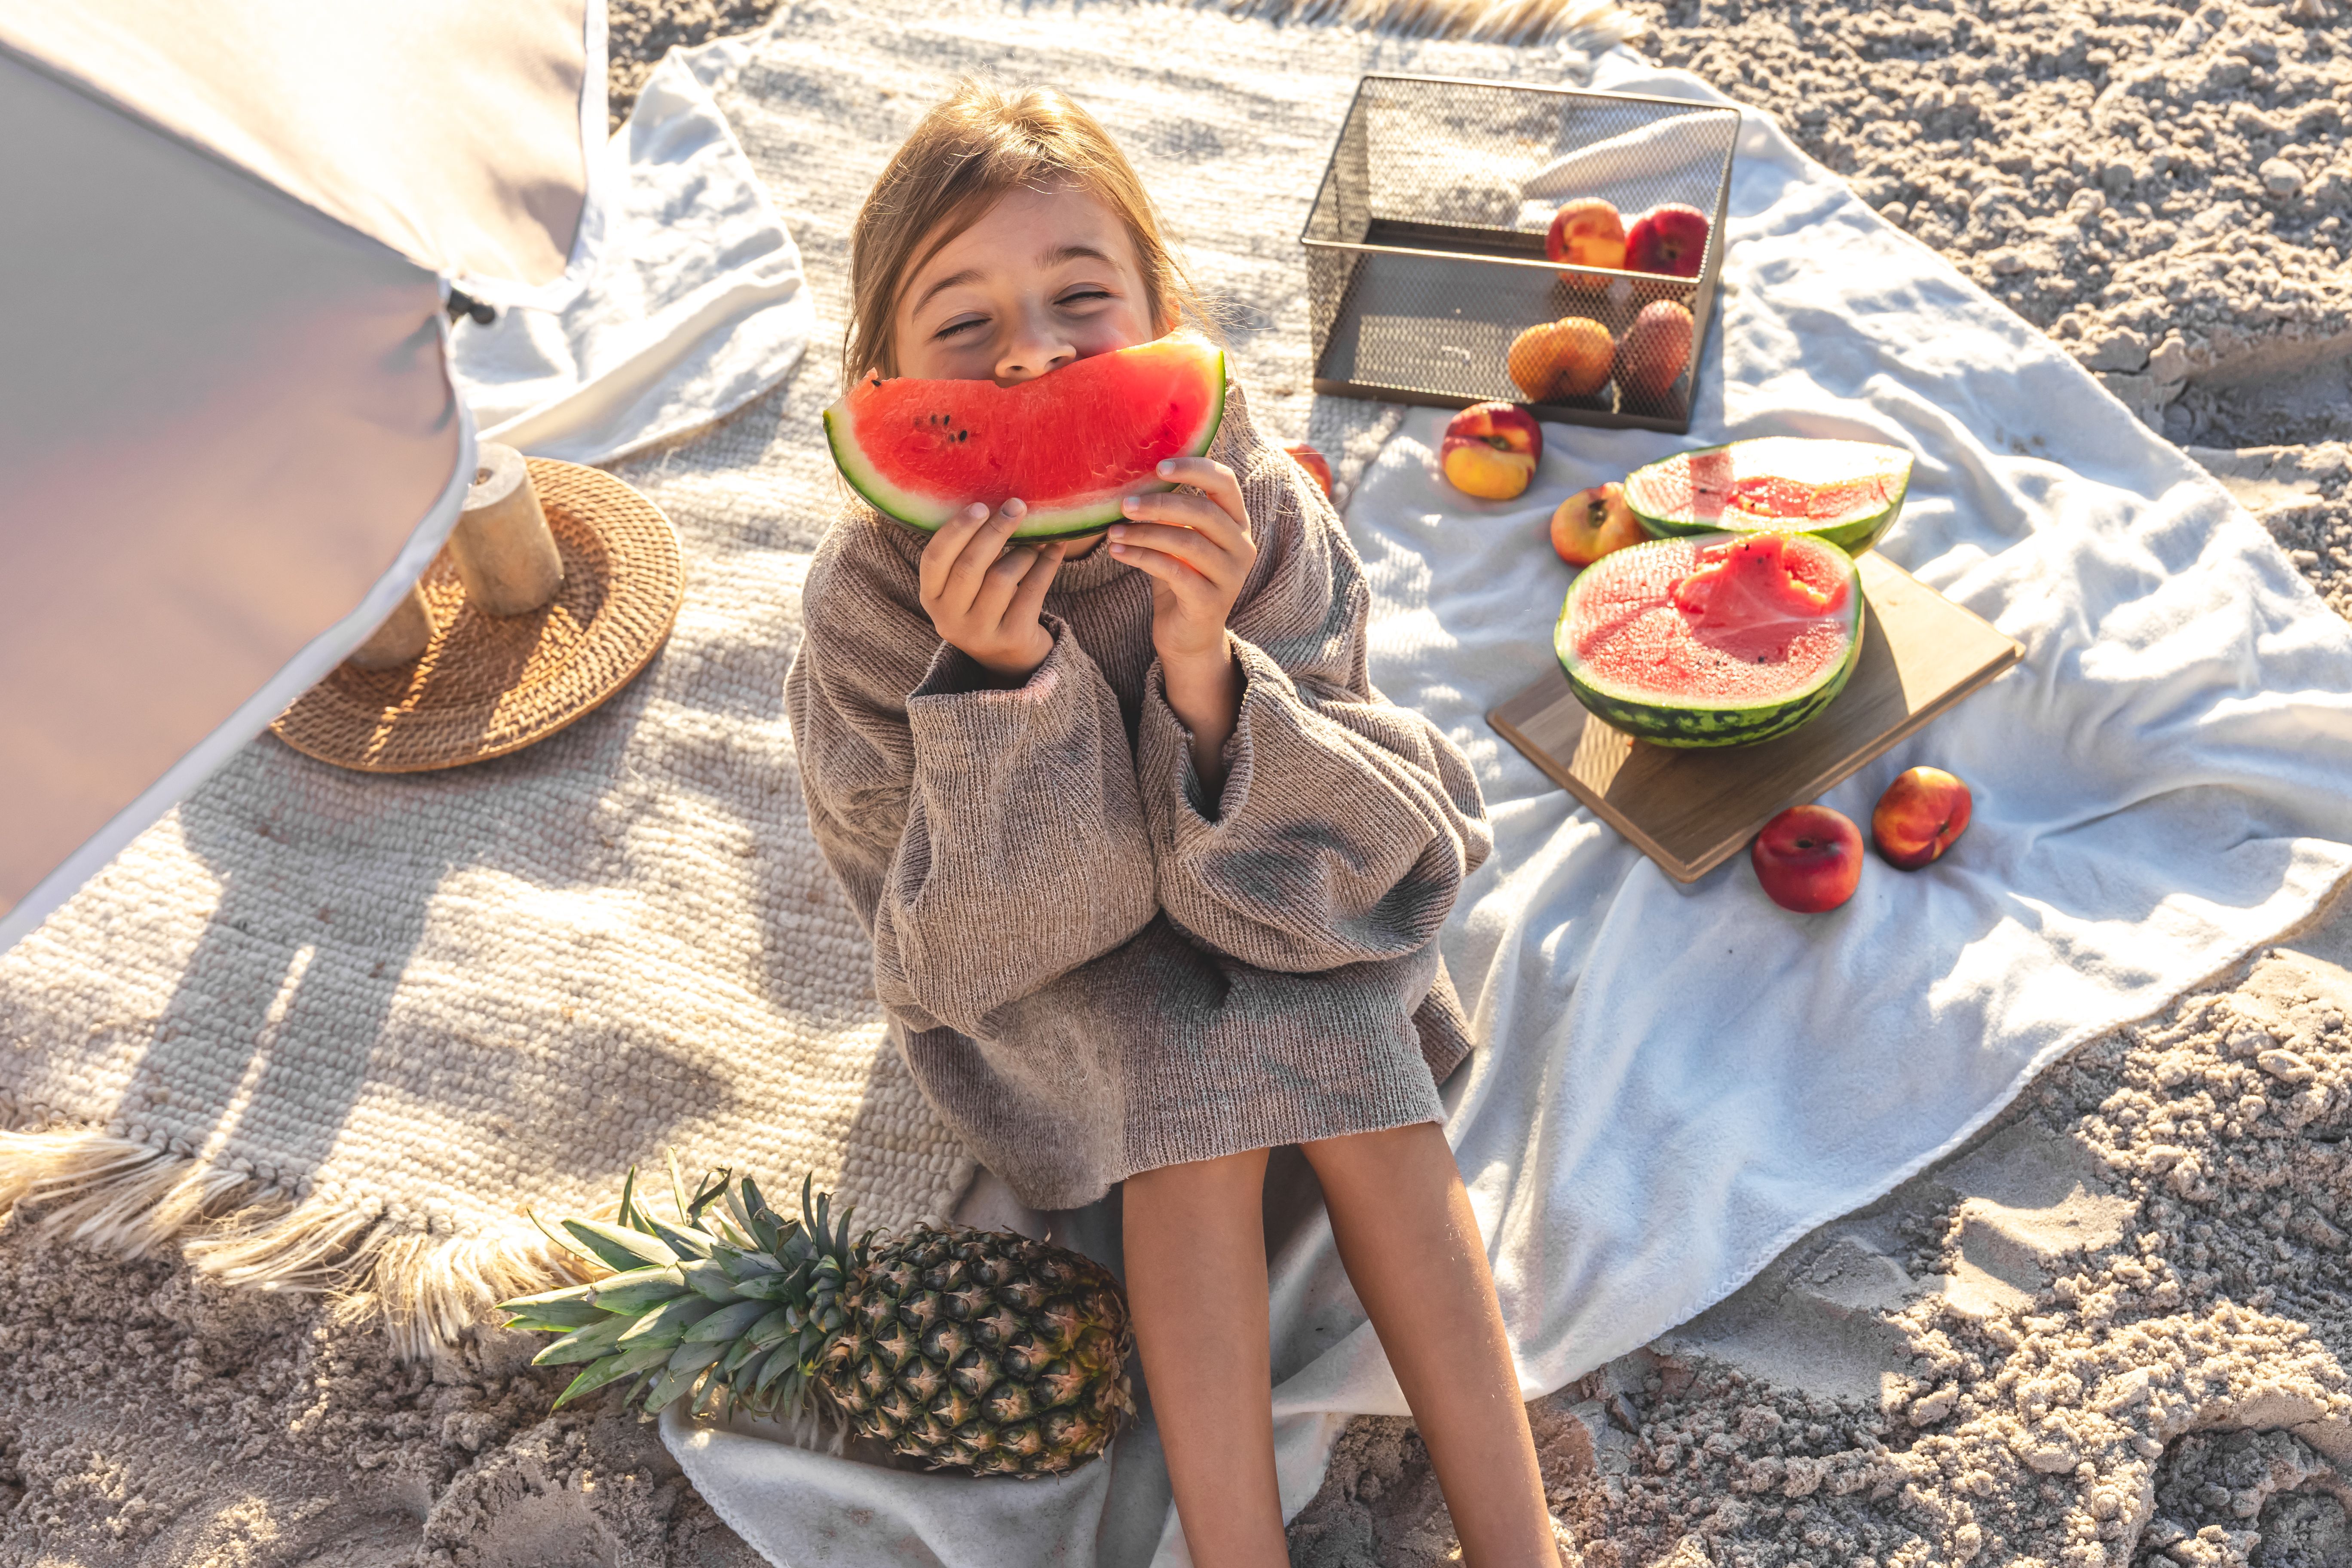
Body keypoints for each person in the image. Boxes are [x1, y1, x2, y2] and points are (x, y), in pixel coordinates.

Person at [785, 79, 1561, 1567]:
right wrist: (1003, 695)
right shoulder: (872, 610)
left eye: (1084, 297)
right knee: (1178, 1116)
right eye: (964, 329)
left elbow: (1348, 799)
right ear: (879, 375)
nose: (1034, 353)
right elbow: (938, 935)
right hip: (1041, 972)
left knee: (1367, 1087)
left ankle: (1523, 1542)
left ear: (1165, 311)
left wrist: (1208, 671)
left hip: (1280, 887)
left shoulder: (1252, 502)